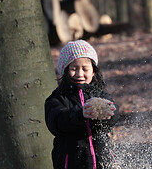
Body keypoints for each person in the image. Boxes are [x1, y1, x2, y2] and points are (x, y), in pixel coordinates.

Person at [45, 40, 120, 169]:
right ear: (65, 71)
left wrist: (111, 113)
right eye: (74, 69)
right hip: (72, 163)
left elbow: (113, 117)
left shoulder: (101, 95)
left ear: (93, 71)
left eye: (85, 69)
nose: (80, 74)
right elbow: (57, 123)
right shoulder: (57, 98)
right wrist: (80, 114)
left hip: (103, 161)